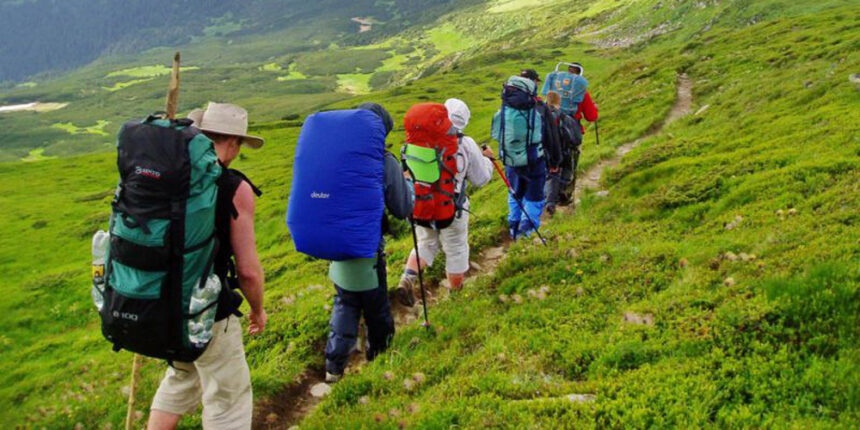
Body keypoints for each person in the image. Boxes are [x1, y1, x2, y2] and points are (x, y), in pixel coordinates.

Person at [148, 102, 267, 430]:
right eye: (239, 143)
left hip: (162, 302)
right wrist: (257, 310)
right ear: (233, 142)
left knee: (180, 380)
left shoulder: (166, 176)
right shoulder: (234, 187)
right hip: (209, 310)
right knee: (228, 402)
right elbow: (247, 270)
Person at [324, 103, 414, 383]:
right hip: (368, 249)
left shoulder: (334, 155)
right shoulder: (384, 162)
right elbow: (402, 207)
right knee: (376, 307)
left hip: (336, 242)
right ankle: (380, 357)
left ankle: (333, 366)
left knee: (345, 300)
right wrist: (408, 184)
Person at [395, 99, 494, 304]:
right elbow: (481, 179)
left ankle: (407, 278)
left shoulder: (418, 141)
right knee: (456, 248)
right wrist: (488, 160)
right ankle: (456, 297)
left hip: (421, 203)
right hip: (452, 208)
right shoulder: (465, 143)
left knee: (425, 243)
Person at [506, 69, 561, 238]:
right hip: (535, 159)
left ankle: (513, 229)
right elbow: (551, 137)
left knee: (515, 194)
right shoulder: (541, 108)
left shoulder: (507, 106)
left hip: (511, 160)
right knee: (534, 197)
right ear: (532, 82)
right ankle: (526, 233)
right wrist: (555, 161)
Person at [544, 92, 582, 216]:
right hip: (563, 152)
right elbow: (576, 139)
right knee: (562, 172)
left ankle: (546, 199)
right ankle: (559, 197)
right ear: (559, 102)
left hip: (544, 152)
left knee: (548, 175)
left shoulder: (539, 116)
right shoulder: (564, 117)